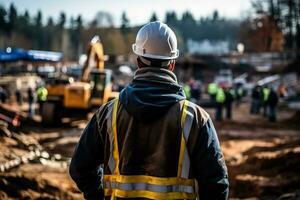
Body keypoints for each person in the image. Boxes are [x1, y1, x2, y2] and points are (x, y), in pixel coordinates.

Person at [69, 21, 229, 200]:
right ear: (172, 64)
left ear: (138, 62)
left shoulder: (107, 114)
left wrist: (97, 196)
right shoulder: (196, 119)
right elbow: (216, 184)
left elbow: (79, 168)